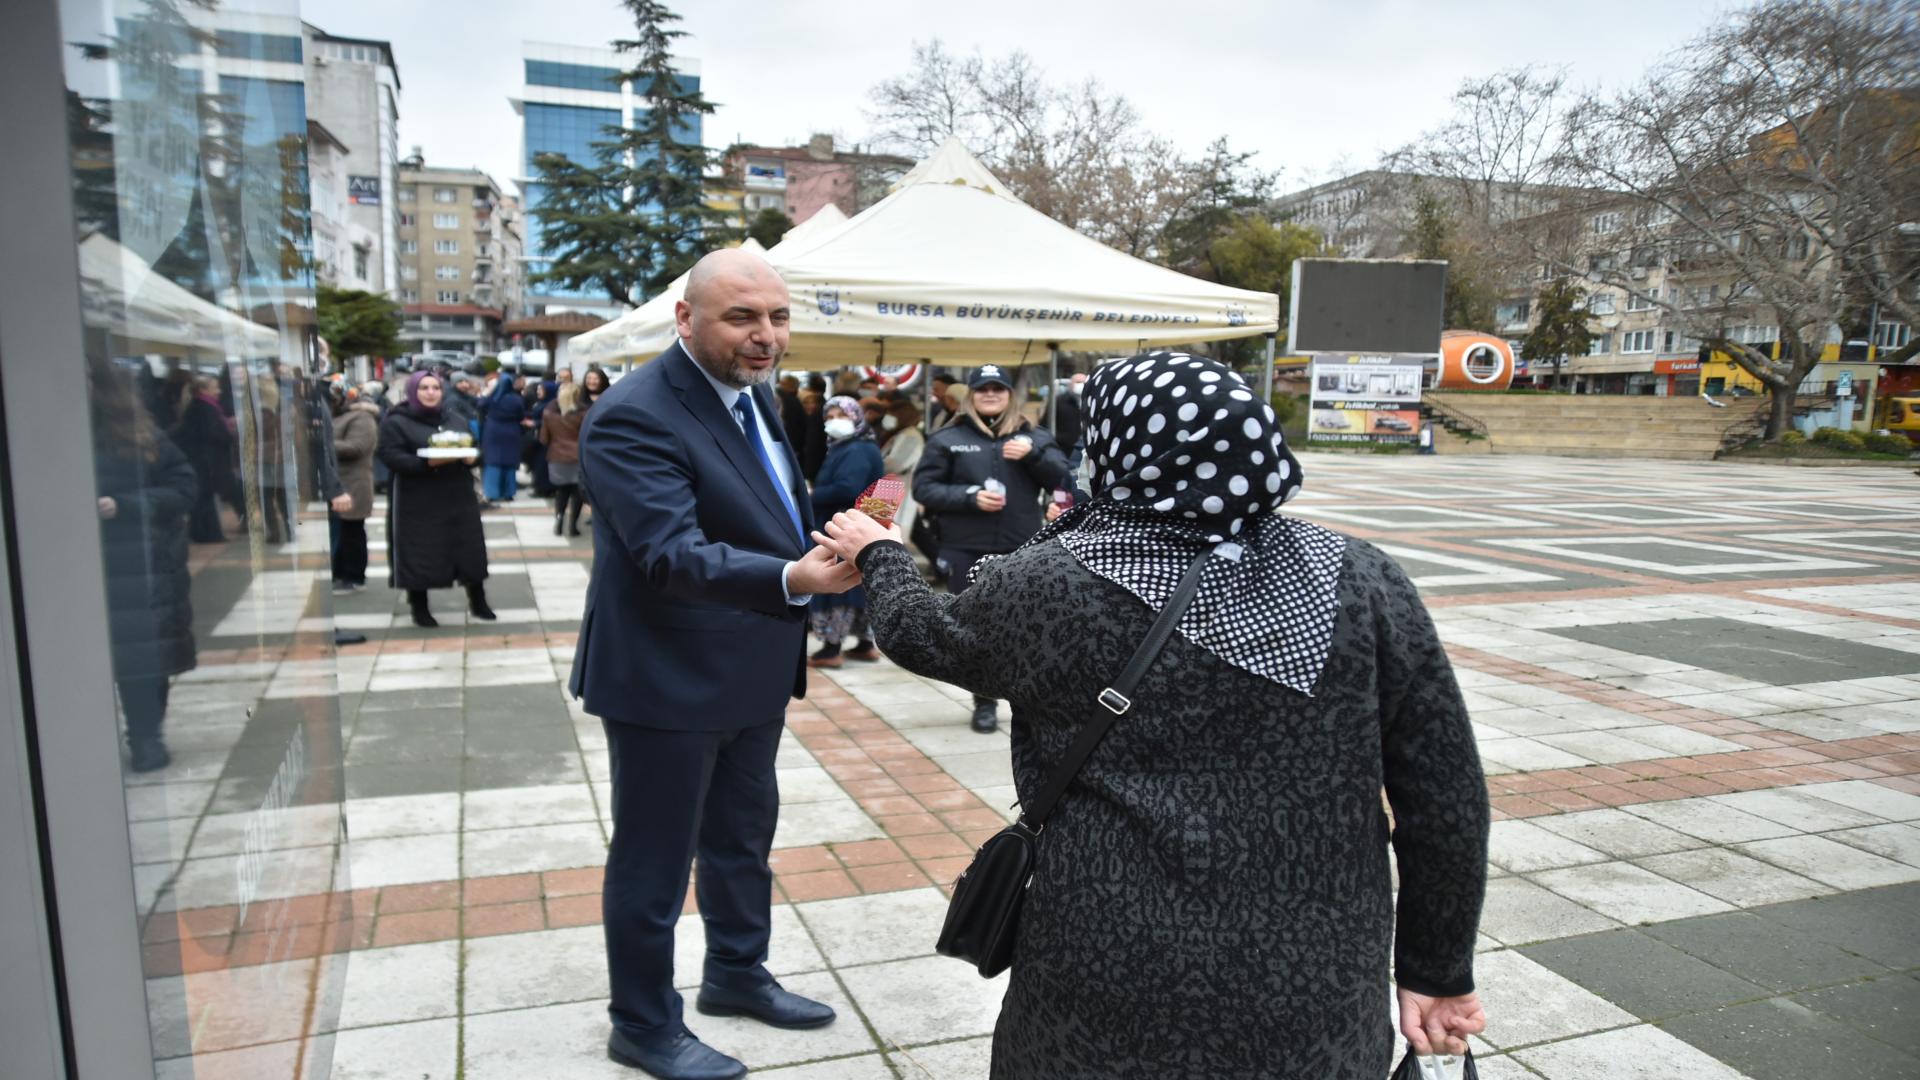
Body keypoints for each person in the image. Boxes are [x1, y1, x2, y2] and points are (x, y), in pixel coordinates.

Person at [816, 351, 1491, 1080]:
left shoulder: (1050, 581)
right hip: (1315, 979)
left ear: (1117, 446)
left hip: (1105, 968)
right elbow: (1446, 798)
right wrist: (1437, 968)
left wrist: (882, 552)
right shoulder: (1362, 580)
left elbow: (929, 636)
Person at [570, 247, 857, 1080]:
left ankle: (735, 974)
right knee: (653, 864)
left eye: (778, 316)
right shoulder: (634, 414)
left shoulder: (753, 397)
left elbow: (763, 512)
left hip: (753, 668)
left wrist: (830, 538)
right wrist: (787, 578)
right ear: (685, 319)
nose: (765, 336)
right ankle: (643, 1023)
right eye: (743, 318)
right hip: (666, 677)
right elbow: (669, 554)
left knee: (740, 841)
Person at [911, 364, 1069, 733]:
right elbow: (925, 489)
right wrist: (969, 497)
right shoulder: (947, 438)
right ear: (971, 396)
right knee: (972, 628)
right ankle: (984, 700)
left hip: (1023, 547)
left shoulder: (1034, 436)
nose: (990, 394)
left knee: (1025, 625)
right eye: (983, 389)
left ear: (1010, 395)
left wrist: (1032, 456)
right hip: (964, 546)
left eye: (998, 388)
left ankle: (1027, 698)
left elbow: (1065, 481)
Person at [91, 360, 197, 773]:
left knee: (142, 660)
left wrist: (125, 506)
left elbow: (183, 488)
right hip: (78, 570)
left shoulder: (141, 437)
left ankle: (144, 734)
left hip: (137, 566)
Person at [377, 372, 495, 628]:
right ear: (412, 392)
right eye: (424, 388)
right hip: (417, 498)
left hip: (457, 495)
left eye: (435, 388)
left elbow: (475, 447)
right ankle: (419, 606)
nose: (431, 393)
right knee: (420, 551)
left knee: (468, 549)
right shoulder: (396, 422)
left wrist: (472, 458)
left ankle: (478, 600)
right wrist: (425, 463)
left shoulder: (455, 418)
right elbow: (390, 456)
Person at [805, 396, 886, 668]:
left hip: (843, 525)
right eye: (828, 416)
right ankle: (864, 644)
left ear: (856, 416)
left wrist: (812, 494)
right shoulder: (851, 446)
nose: (833, 421)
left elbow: (848, 488)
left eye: (841, 414)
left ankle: (831, 648)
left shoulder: (857, 450)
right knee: (855, 583)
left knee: (836, 584)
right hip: (856, 525)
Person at [172, 374, 234, 543]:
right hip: (205, 461)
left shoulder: (202, 407)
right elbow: (214, 434)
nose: (219, 391)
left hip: (203, 460)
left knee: (204, 497)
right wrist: (228, 432)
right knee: (205, 498)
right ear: (203, 390)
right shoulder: (205, 408)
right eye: (215, 387)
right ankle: (208, 533)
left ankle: (204, 532)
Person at [330, 383, 380, 592]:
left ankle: (354, 576)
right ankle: (340, 573)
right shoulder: (339, 416)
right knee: (341, 532)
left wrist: (322, 442)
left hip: (353, 484)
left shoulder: (362, 417)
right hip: (340, 483)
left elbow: (356, 447)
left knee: (351, 532)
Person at [541, 381, 588, 537]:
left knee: (561, 490)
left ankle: (559, 518)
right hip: (578, 457)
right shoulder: (584, 414)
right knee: (577, 493)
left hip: (557, 457)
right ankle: (573, 526)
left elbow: (543, 439)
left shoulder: (548, 414)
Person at [879, 399, 926, 550]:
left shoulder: (910, 436)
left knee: (893, 534)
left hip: (896, 487)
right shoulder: (901, 434)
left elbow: (896, 463)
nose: (887, 418)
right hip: (891, 488)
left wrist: (876, 465)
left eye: (891, 415)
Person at [480, 371, 531, 503]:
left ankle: (492, 493)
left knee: (493, 461)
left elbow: (480, 405)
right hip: (512, 430)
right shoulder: (516, 399)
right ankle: (509, 492)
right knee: (510, 462)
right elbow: (521, 415)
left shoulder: (492, 398)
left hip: (493, 430)